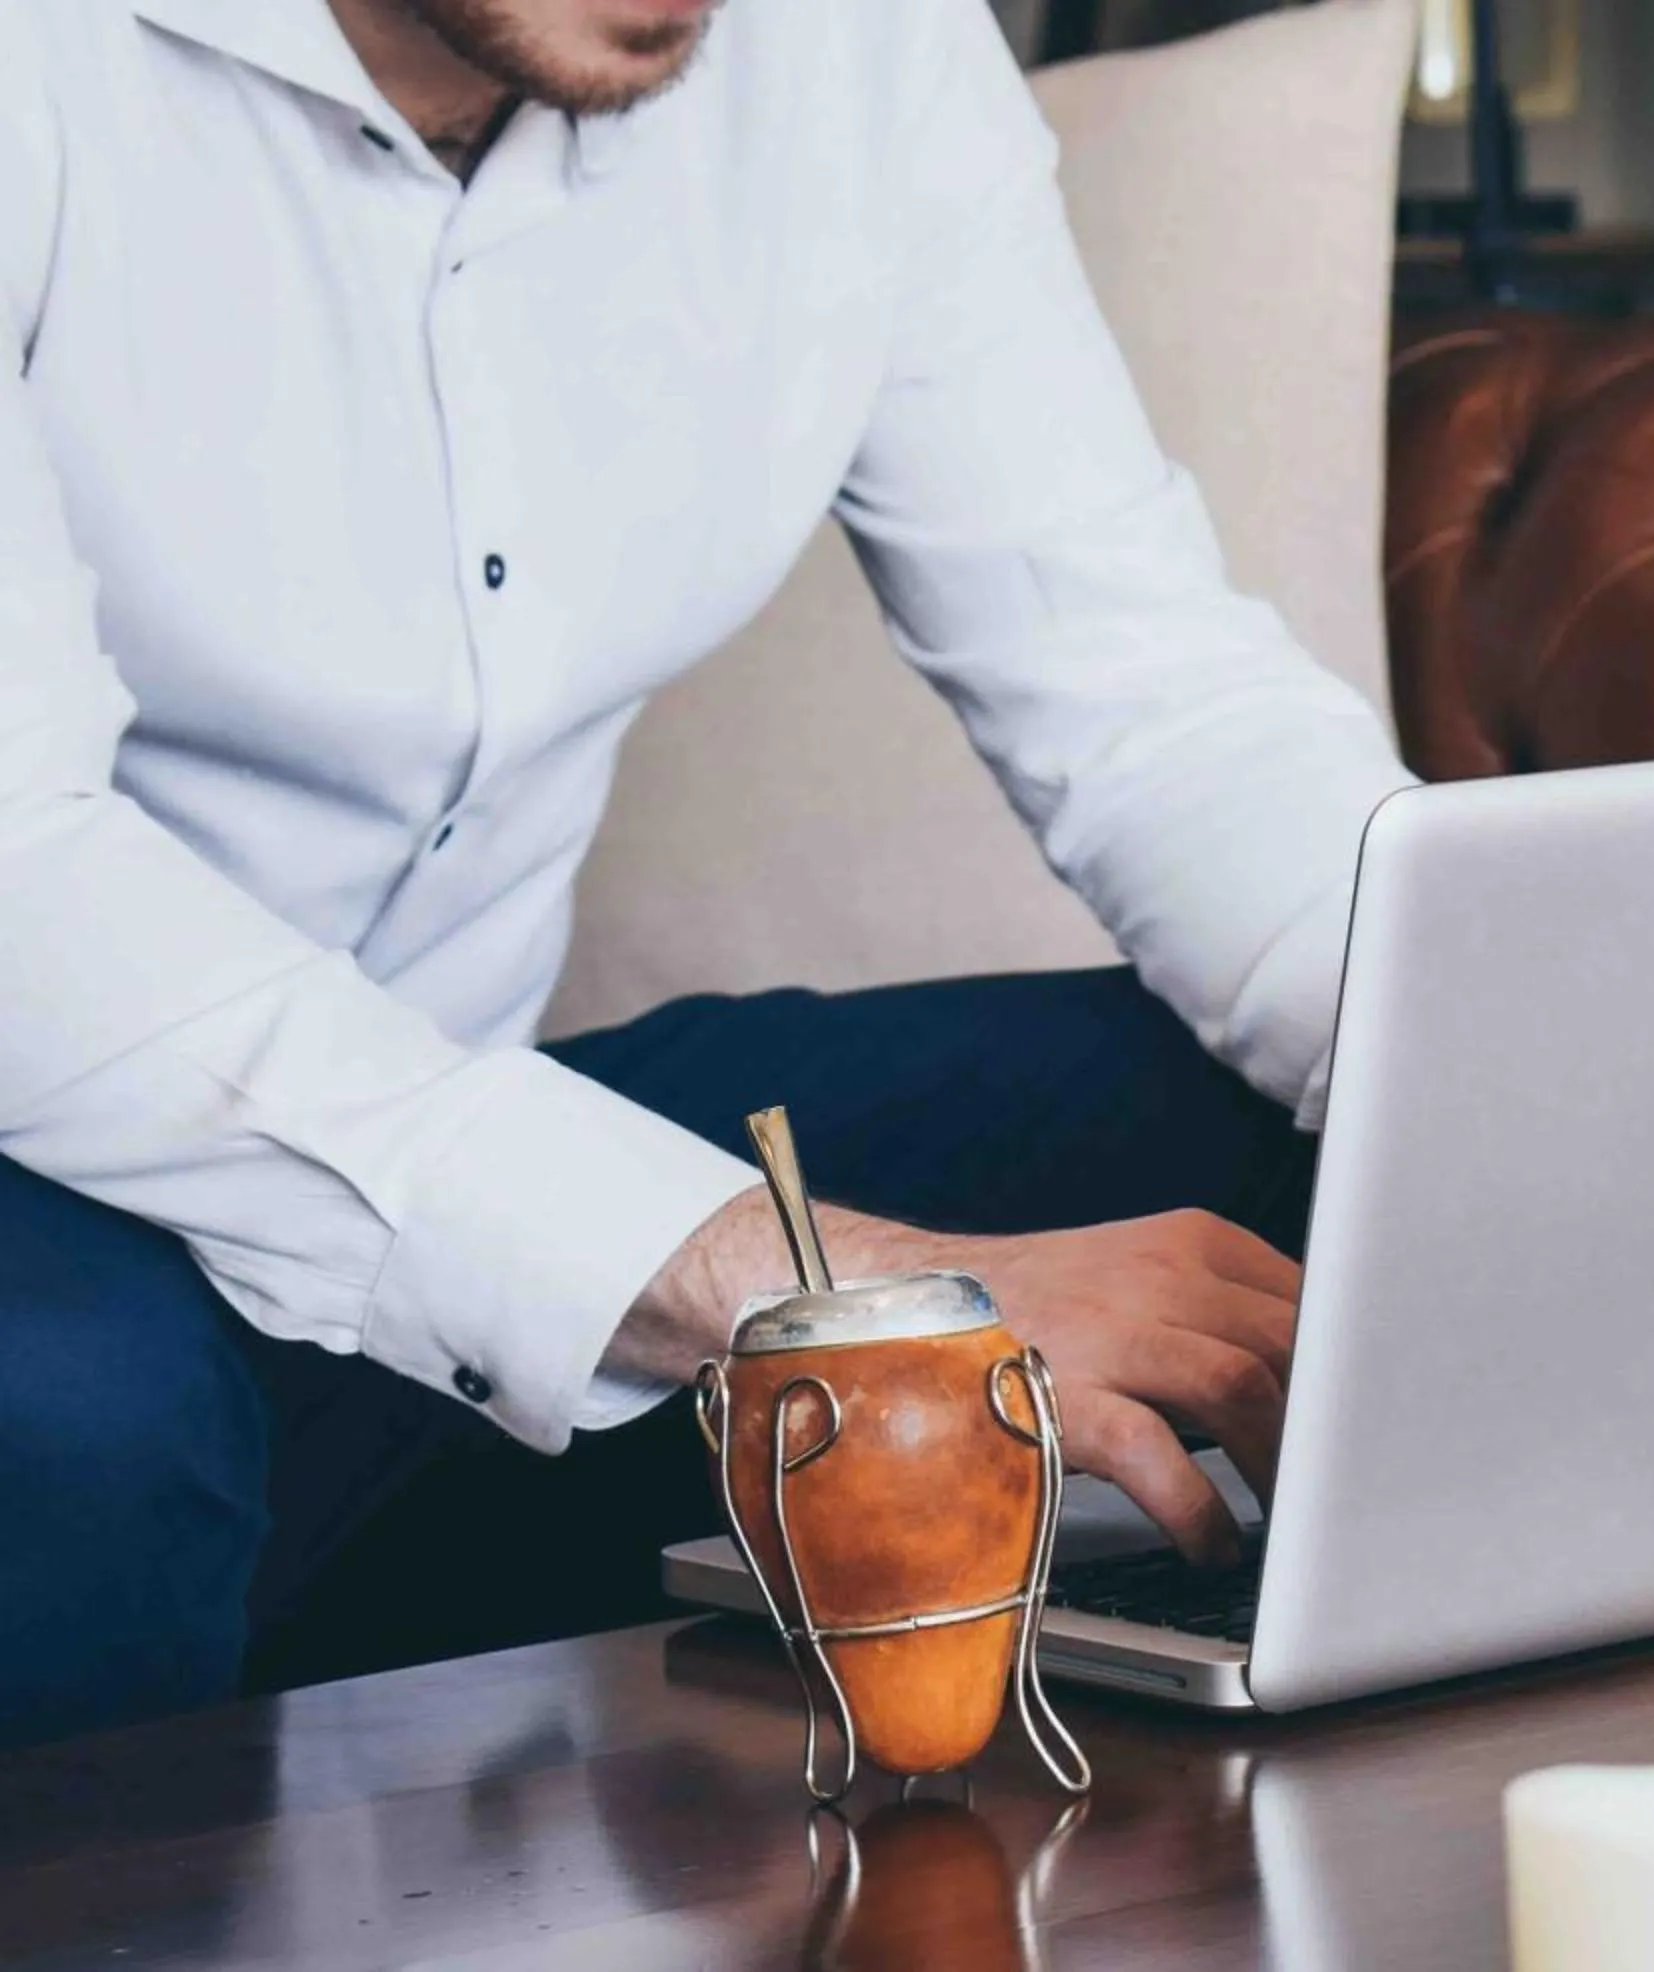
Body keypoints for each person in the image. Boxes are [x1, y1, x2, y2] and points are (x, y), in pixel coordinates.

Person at [0, 0, 1415, 1745]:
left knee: (1314, 1145)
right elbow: (23, 887)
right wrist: (786, 1282)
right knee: (70, 1422)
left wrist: (1511, 1094)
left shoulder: (855, 53)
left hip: (458, 1214)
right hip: (50, 1207)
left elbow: (1151, 699)